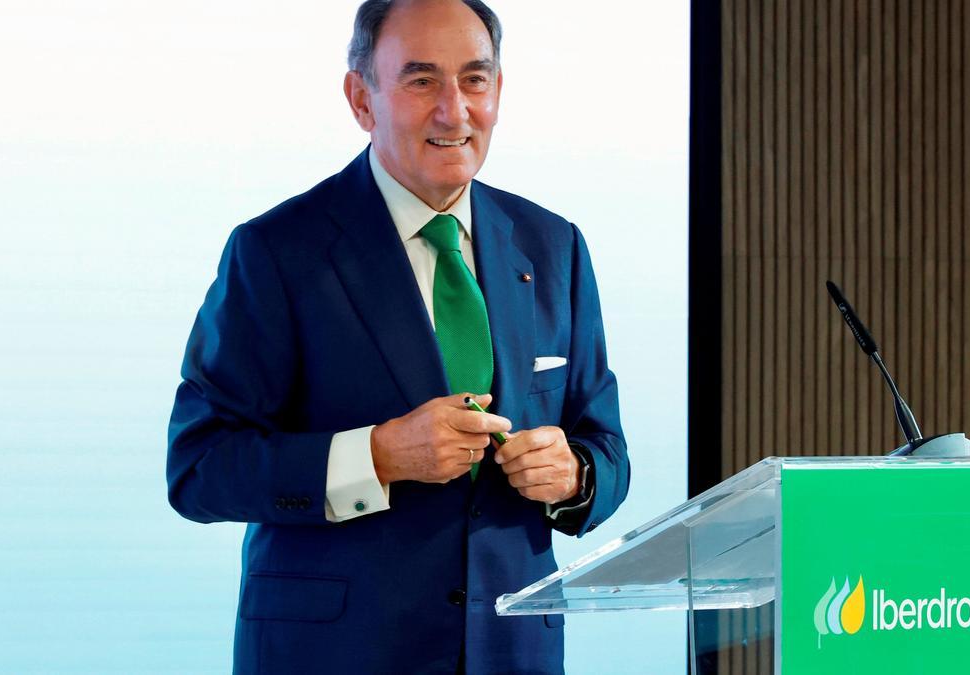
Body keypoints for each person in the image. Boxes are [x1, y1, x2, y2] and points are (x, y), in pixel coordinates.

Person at [166, 0, 629, 672]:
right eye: (421, 81)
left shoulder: (554, 245)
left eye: (474, 80)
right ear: (362, 99)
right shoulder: (277, 251)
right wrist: (377, 456)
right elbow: (199, 467)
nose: (454, 111)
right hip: (336, 653)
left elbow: (605, 444)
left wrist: (574, 475)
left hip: (513, 651)